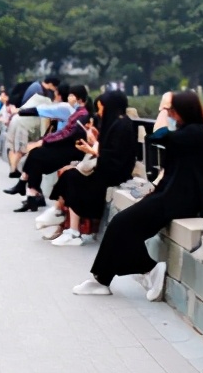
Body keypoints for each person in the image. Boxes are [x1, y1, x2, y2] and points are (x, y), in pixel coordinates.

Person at [70, 90, 203, 296]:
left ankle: (149, 269)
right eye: (169, 111)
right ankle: (102, 279)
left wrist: (163, 108)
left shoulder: (195, 132)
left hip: (183, 200)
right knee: (121, 226)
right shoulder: (187, 131)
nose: (171, 115)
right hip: (171, 194)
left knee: (121, 225)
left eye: (173, 110)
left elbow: (157, 136)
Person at [44, 89, 137, 251]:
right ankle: (64, 220)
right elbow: (108, 151)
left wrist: (94, 151)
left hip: (114, 175)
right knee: (70, 175)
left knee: (73, 177)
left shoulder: (122, 125)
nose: (100, 112)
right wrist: (95, 141)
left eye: (102, 108)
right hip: (107, 170)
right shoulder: (117, 123)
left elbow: (116, 157)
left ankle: (70, 228)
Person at [5, 85, 92, 212]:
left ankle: (27, 189)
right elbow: (63, 132)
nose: (69, 97)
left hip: (71, 150)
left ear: (80, 98)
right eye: (69, 94)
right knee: (36, 155)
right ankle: (31, 195)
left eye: (72, 95)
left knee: (36, 155)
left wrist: (45, 141)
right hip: (64, 146)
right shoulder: (77, 112)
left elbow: (67, 134)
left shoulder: (79, 113)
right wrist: (45, 141)